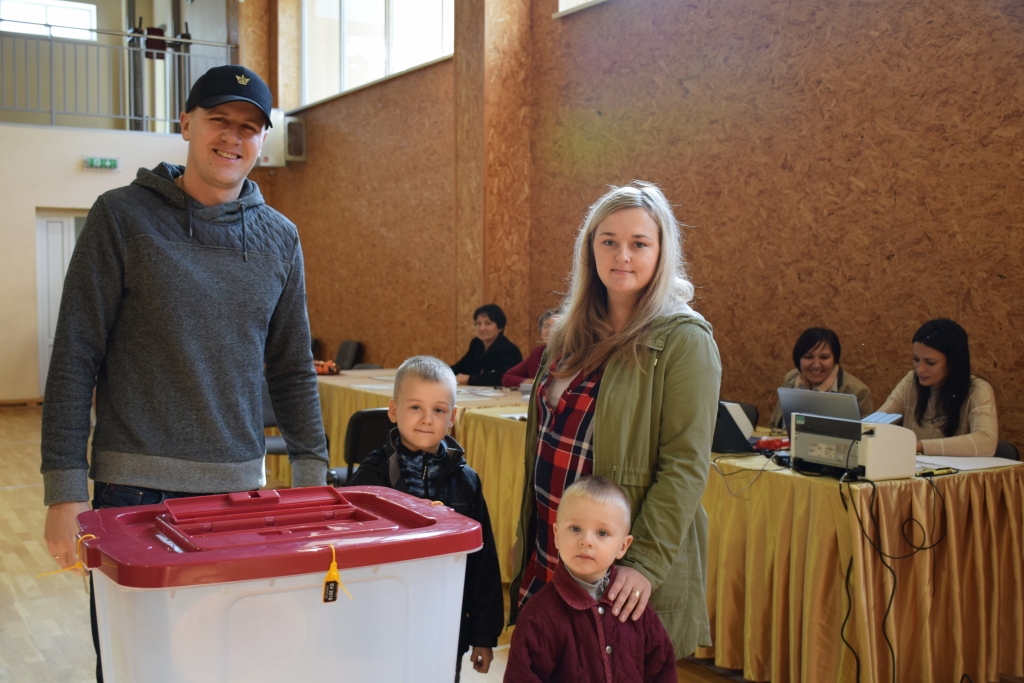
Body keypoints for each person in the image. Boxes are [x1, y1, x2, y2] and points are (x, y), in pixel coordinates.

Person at [39, 65, 329, 681]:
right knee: (135, 665)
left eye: (249, 127)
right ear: (186, 123)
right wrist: (64, 491)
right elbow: (74, 357)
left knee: (228, 662)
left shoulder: (281, 238)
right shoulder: (119, 218)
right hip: (132, 493)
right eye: (220, 120)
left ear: (261, 143)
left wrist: (310, 475)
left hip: (239, 494)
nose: (233, 137)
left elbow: (292, 369)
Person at [509, 181, 722, 660]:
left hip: (615, 565)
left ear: (661, 252)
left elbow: (685, 468)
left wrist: (643, 562)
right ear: (590, 249)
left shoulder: (684, 341)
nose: (622, 255)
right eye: (608, 241)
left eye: (639, 243)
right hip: (556, 544)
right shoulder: (567, 336)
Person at [346, 356, 503, 681]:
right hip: (383, 626)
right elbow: (349, 556)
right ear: (393, 411)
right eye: (415, 407)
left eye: (439, 410)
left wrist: (484, 636)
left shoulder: (466, 481)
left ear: (453, 418)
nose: (427, 419)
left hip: (446, 625)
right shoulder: (370, 478)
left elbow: (482, 564)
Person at [504, 476, 678, 682]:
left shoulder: (636, 608)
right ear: (557, 536)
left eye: (602, 533)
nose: (586, 541)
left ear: (623, 546)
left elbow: (662, 670)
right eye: (575, 529)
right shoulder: (538, 616)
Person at [878, 319, 998, 456]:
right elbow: (877, 423)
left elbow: (986, 443)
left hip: (958, 477)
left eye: (930, 363)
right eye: (916, 360)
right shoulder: (911, 381)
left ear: (953, 362)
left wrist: (920, 446)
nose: (920, 370)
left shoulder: (978, 390)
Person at [767, 327, 873, 428]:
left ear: (835, 359)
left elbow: (865, 440)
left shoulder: (857, 392)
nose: (816, 365)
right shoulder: (791, 379)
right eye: (808, 357)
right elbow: (774, 425)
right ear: (798, 359)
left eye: (824, 357)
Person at [451, 303, 523, 386]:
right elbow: (461, 366)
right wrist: (443, 374)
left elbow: (502, 377)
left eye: (488, 323)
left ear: (500, 327)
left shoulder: (508, 349)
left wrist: (470, 379)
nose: (482, 328)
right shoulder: (477, 344)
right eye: (478, 323)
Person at [502, 309, 558, 388]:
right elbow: (507, 377)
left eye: (557, 326)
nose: (550, 330)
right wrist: (532, 382)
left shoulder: (572, 356)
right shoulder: (538, 353)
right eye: (547, 326)